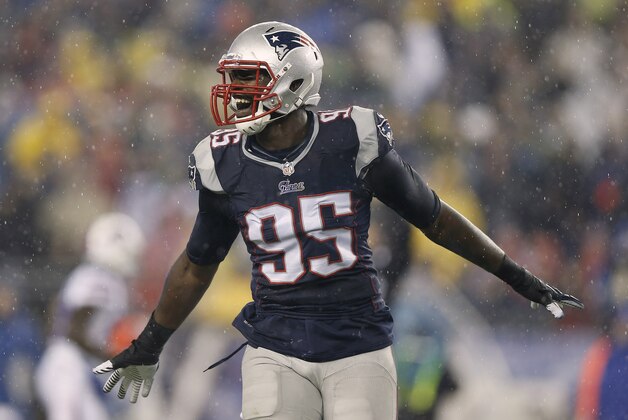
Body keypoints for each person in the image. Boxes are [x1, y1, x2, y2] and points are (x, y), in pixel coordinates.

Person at [93, 21, 583, 419]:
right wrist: (150, 342)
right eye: (233, 79)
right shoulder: (224, 163)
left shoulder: (351, 140)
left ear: (293, 81)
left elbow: (434, 217)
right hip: (275, 346)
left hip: (357, 345)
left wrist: (514, 275)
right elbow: (197, 263)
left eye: (248, 80)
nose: (234, 92)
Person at [36, 212, 146, 420]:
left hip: (73, 365)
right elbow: (73, 329)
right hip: (68, 367)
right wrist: (110, 354)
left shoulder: (94, 276)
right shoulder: (98, 278)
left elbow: (58, 312)